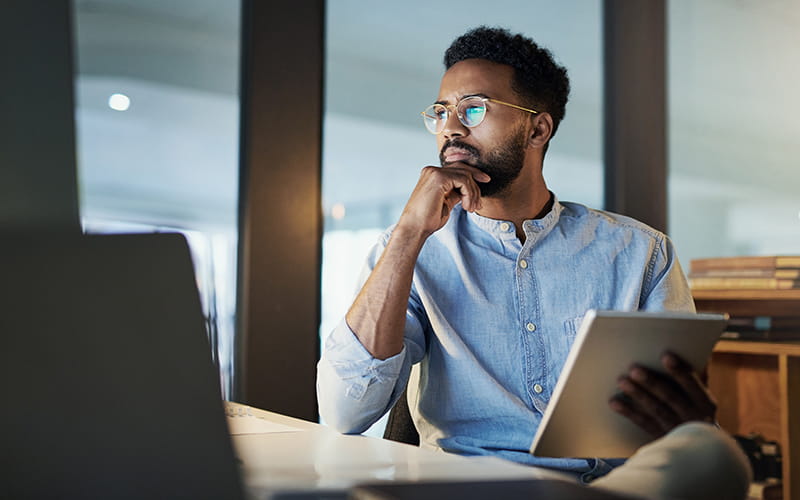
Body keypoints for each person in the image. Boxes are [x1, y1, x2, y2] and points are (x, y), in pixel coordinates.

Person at [317, 26, 750, 499]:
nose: (451, 128)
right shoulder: (413, 249)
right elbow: (344, 411)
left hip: (609, 485)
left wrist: (690, 421)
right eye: (441, 112)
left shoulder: (640, 252)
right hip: (471, 487)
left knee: (716, 456)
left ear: (538, 129)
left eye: (473, 108)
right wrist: (406, 234)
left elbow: (679, 424)